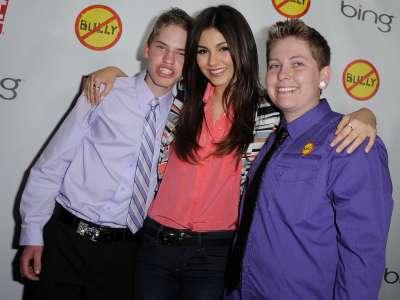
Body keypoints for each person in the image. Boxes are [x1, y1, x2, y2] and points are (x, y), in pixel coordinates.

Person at [83, 6, 379, 300]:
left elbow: (310, 113)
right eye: (202, 51)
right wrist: (113, 73)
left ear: (242, 48)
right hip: (155, 244)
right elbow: (146, 86)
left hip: (214, 256)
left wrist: (367, 114)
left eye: (224, 48)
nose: (213, 62)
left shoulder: (268, 111)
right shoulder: (182, 97)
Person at [19, 8, 191, 300]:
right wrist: (32, 233)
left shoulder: (186, 118)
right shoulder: (105, 91)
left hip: (124, 253)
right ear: (147, 49)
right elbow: (53, 163)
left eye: (181, 53)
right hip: (65, 239)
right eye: (161, 47)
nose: (168, 61)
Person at [225, 19, 393, 300]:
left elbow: (363, 256)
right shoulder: (274, 137)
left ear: (323, 75)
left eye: (298, 64)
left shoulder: (350, 142)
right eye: (275, 65)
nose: (283, 74)